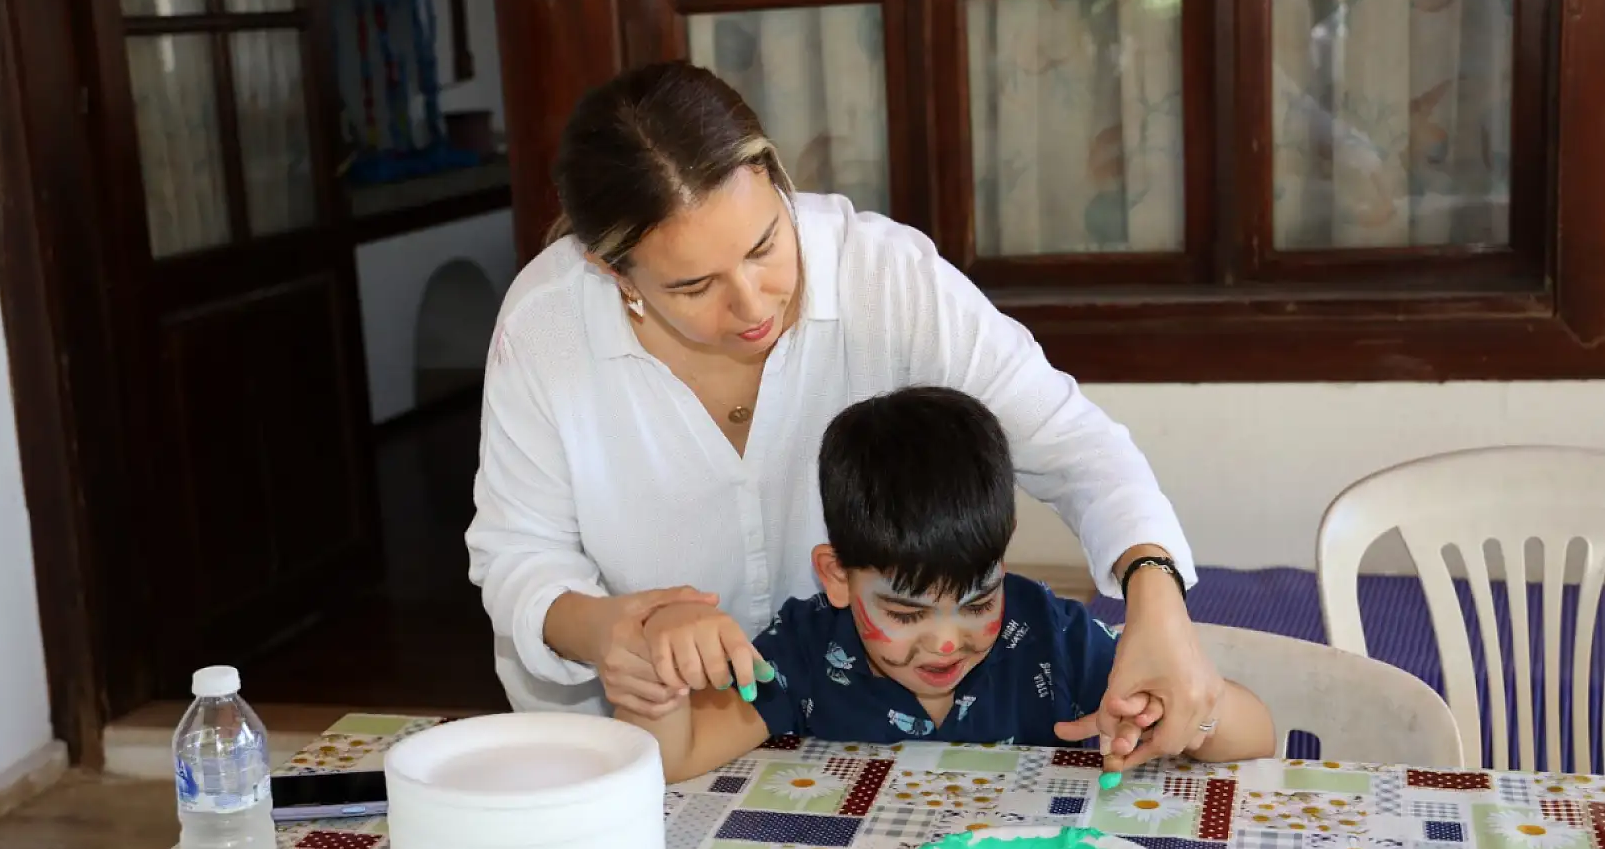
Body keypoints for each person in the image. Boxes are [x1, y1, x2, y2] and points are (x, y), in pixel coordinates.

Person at [467, 60, 1223, 768]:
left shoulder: (886, 279)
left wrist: (1154, 589)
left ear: (775, 176)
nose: (753, 302)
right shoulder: (549, 327)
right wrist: (615, 633)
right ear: (610, 270)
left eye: (765, 244)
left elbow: (1075, 446)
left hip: (845, 739)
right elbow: (517, 557)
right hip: (638, 747)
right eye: (694, 287)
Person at [615, 387, 1273, 782]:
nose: (945, 644)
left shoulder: (1048, 639)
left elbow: (1258, 739)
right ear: (837, 577)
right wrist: (662, 663)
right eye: (905, 614)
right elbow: (675, 759)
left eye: (979, 601)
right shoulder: (806, 650)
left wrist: (1189, 711)